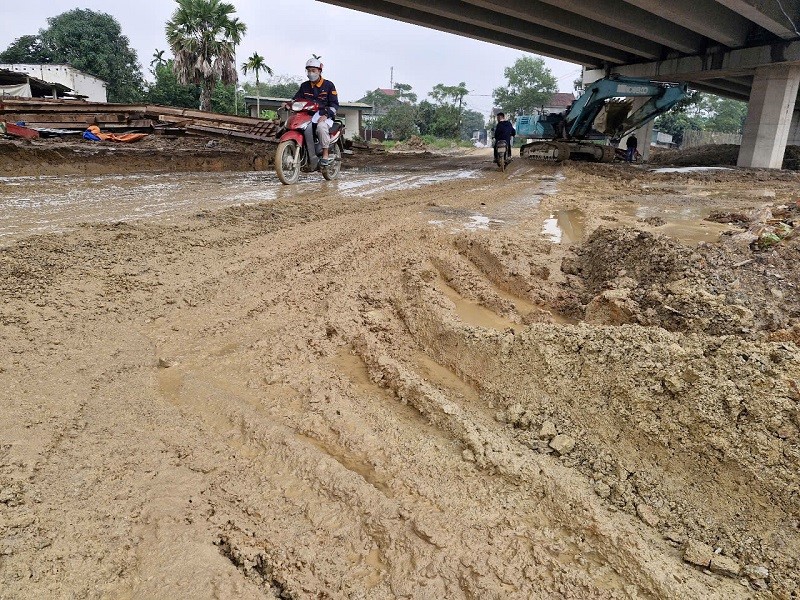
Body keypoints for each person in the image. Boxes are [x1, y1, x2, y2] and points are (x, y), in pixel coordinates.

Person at [292, 57, 339, 166]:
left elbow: (334, 104)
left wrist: (326, 115)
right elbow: (296, 99)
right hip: (308, 115)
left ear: (319, 71)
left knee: (321, 127)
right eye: (309, 71)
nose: (311, 73)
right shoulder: (304, 86)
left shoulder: (329, 85)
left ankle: (325, 155)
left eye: (313, 71)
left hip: (324, 116)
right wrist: (288, 103)